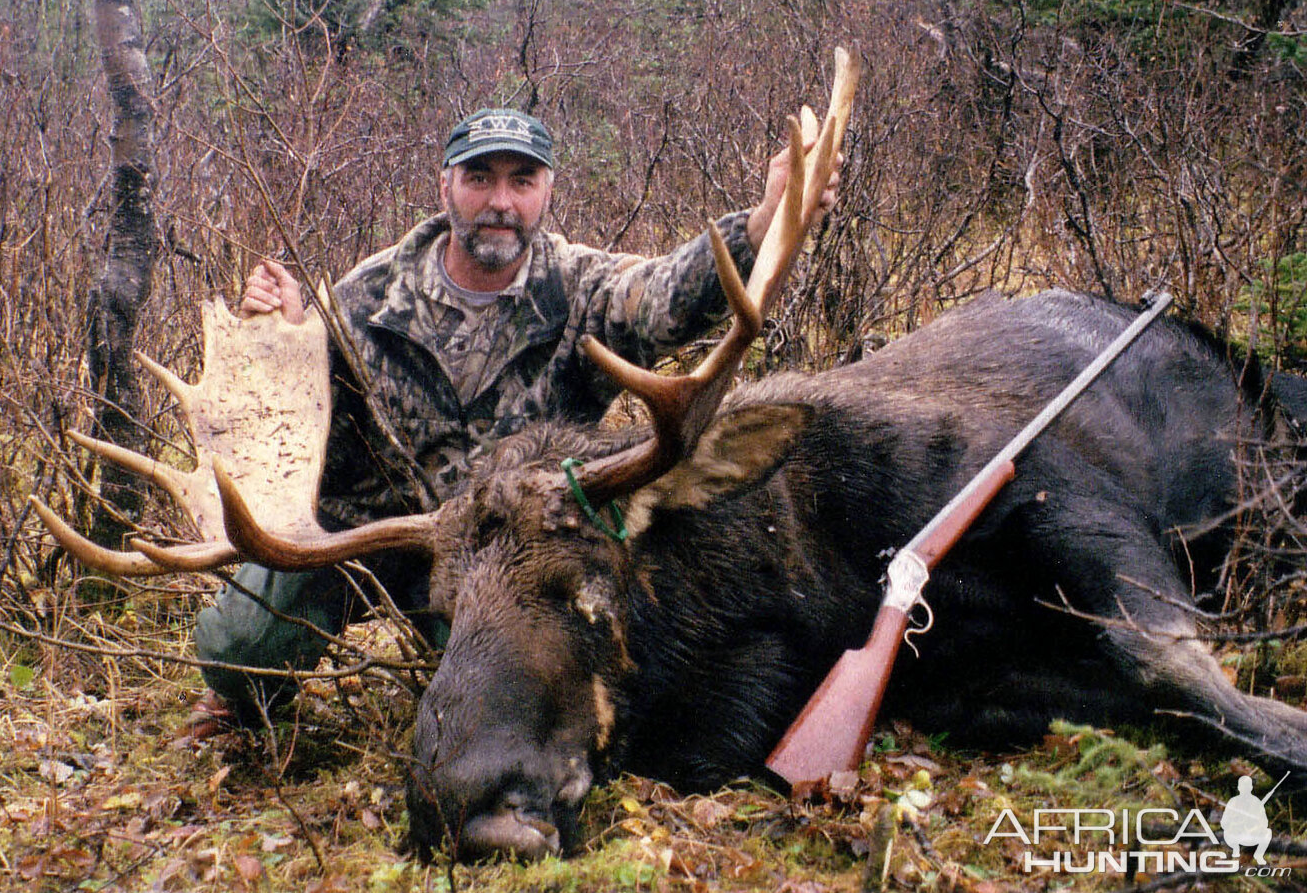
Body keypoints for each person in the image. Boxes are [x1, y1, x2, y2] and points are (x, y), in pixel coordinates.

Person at [190, 106, 840, 728]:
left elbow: (668, 295)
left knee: (501, 702)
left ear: (546, 190)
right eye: (479, 178)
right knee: (234, 651)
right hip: (386, 541)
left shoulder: (584, 289)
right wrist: (288, 342)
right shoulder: (368, 297)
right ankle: (236, 704)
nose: (501, 201)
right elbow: (308, 443)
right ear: (446, 185)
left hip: (511, 563)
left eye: (521, 181)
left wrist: (759, 226)